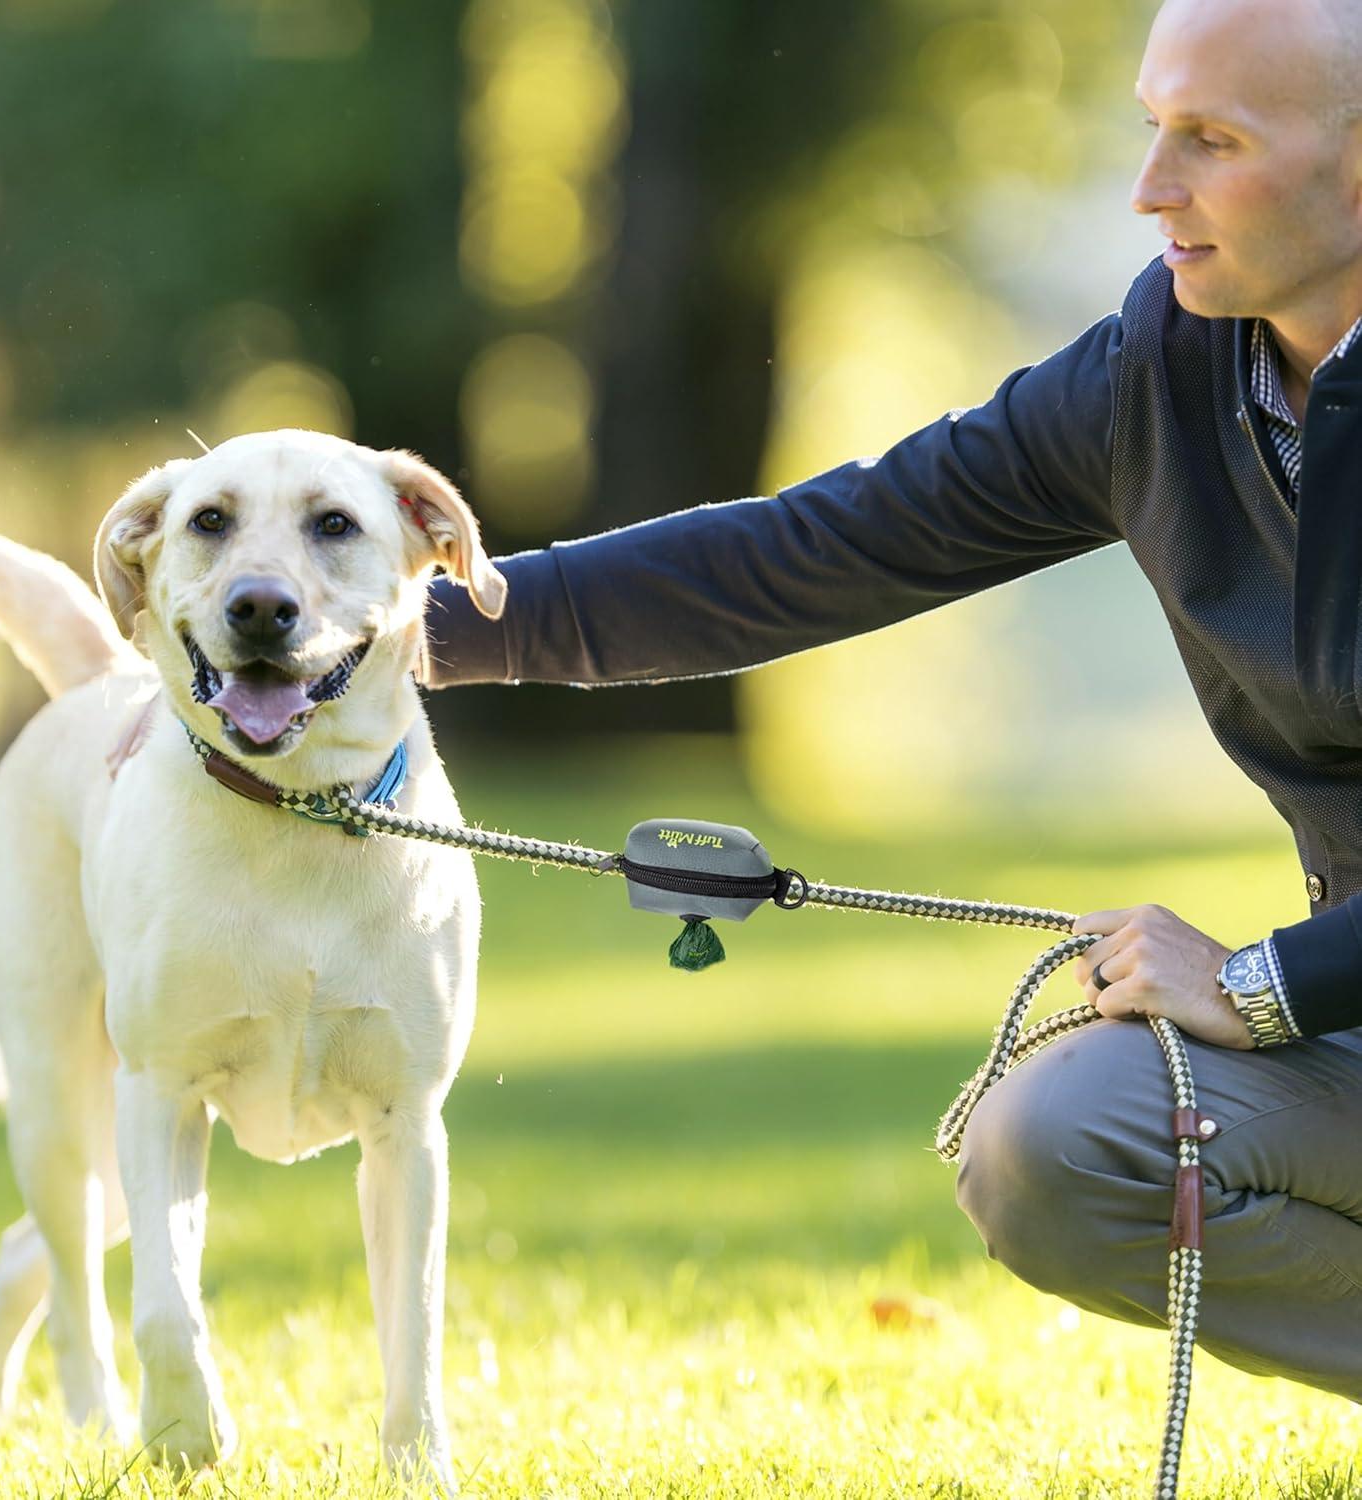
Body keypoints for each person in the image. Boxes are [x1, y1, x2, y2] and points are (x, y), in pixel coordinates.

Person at [422, 0, 1362, 1400]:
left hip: (1323, 990)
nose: (1149, 188)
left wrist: (1263, 985)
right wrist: (413, 632)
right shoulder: (1159, 374)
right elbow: (832, 546)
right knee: (1055, 1143)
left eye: (1211, 142)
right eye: (1151, 127)